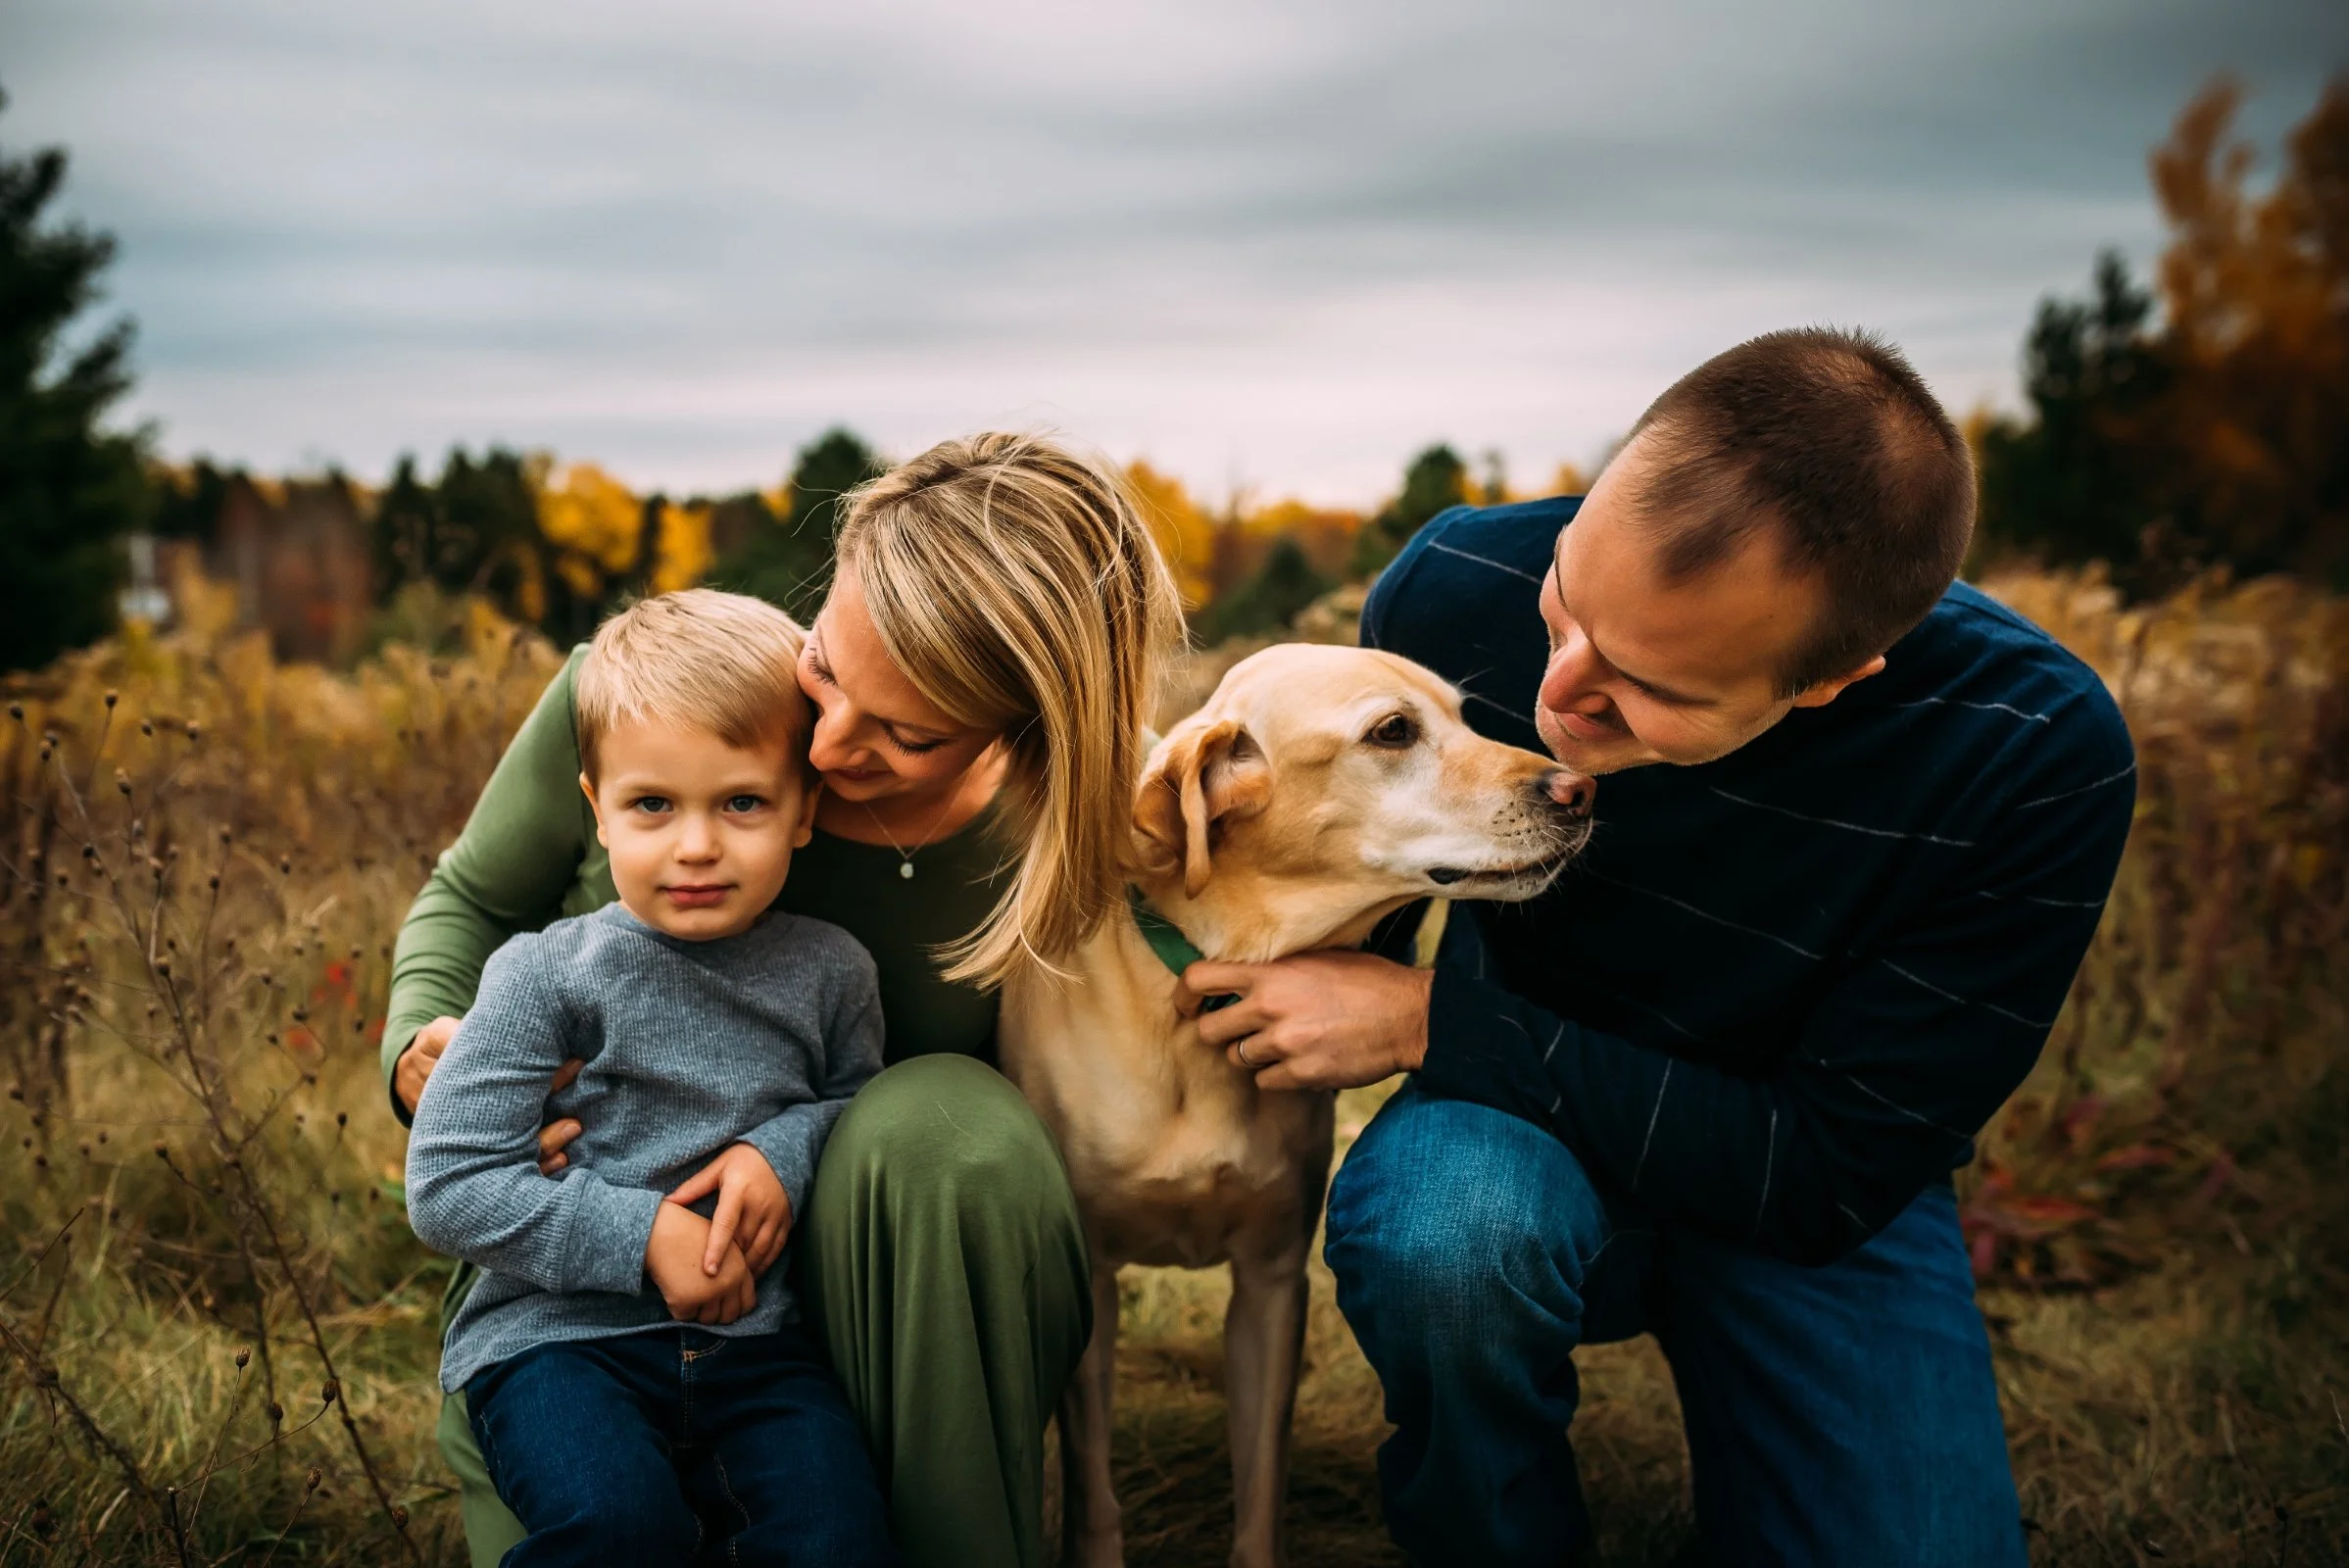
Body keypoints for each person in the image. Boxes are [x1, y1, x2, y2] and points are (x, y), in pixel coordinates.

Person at [1176, 329, 2136, 1566]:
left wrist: (1425, 1021)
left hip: (1807, 1194)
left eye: (1648, 686)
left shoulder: (2033, 754)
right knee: (1441, 1229)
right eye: (1569, 604)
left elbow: (1826, 1172)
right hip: (1513, 1133)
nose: (1561, 697)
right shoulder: (1453, 584)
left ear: (1832, 680)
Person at [384, 435, 1186, 1568]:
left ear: (1024, 727)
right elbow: (468, 898)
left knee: (944, 1120)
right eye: (826, 671)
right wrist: (419, 1049)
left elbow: (1268, 873)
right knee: (612, 1528)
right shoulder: (668, 697)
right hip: (571, 1288)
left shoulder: (1082, 803)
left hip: (841, 1287)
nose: (826, 743)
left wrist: (1404, 999)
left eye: (909, 734)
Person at [406, 589, 896, 1566]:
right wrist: (644, 1237)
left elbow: (851, 1105)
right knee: (623, 1530)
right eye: (653, 805)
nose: (698, 845)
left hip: (759, 1349)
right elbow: (446, 1188)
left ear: (804, 811)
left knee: (838, 1536)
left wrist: (777, 1151)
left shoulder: (832, 970)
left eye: (742, 802)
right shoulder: (545, 973)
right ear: (596, 810)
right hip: (556, 1344)